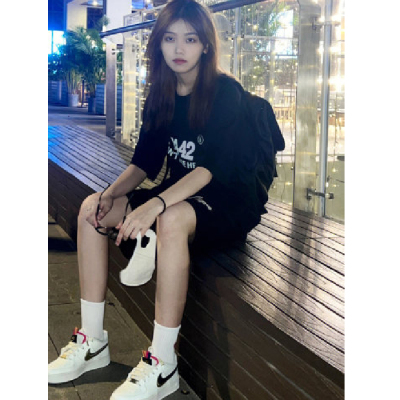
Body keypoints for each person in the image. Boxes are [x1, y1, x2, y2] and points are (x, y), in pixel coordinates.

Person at [48, 0, 271, 399]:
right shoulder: (162, 94)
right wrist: (111, 194)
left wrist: (153, 206)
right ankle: (92, 342)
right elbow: (144, 163)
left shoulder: (226, 93)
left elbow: (209, 170)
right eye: (170, 38)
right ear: (159, 44)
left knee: (169, 219)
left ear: (206, 45)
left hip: (228, 199)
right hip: (179, 195)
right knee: (90, 210)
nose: (179, 48)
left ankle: (163, 363)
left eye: (191, 39)